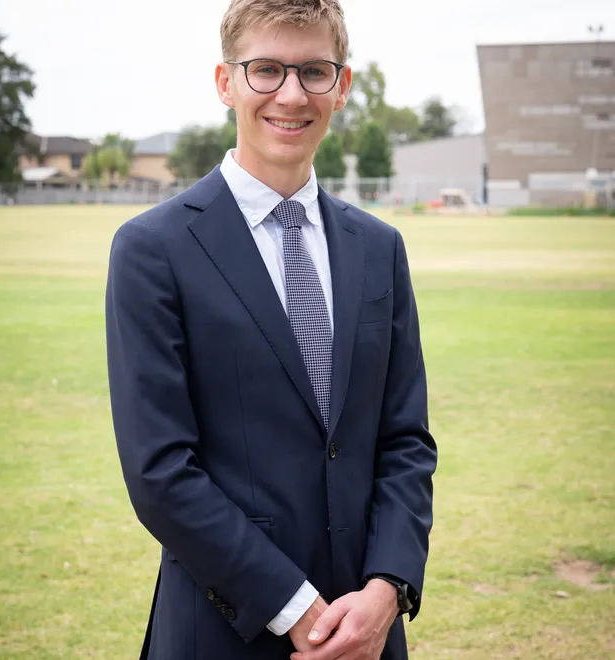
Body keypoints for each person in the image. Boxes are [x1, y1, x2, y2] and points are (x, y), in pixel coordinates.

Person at [105, 1, 437, 658]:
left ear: (341, 86)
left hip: (366, 629)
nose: (291, 94)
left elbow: (404, 441)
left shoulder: (380, 247)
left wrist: (387, 588)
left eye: (314, 71)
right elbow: (160, 470)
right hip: (223, 628)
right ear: (226, 81)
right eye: (266, 70)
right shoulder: (152, 249)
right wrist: (296, 608)